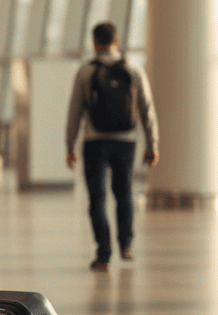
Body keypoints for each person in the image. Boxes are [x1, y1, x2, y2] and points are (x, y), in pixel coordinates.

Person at [65, 22, 160, 271]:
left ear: (95, 43)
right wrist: (153, 144)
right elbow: (147, 109)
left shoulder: (86, 71)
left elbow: (74, 111)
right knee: (124, 192)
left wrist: (70, 146)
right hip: (126, 140)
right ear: (117, 41)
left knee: (97, 197)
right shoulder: (133, 68)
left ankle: (103, 252)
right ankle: (126, 245)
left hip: (94, 141)